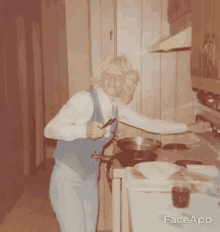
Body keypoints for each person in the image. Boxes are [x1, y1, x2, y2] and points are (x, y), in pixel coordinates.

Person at [44, 54, 211, 232]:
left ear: (126, 82)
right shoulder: (84, 100)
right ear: (101, 77)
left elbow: (150, 124)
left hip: (90, 178)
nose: (113, 80)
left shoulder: (116, 107)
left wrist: (189, 127)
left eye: (119, 76)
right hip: (67, 178)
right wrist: (84, 131)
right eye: (109, 74)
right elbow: (50, 129)